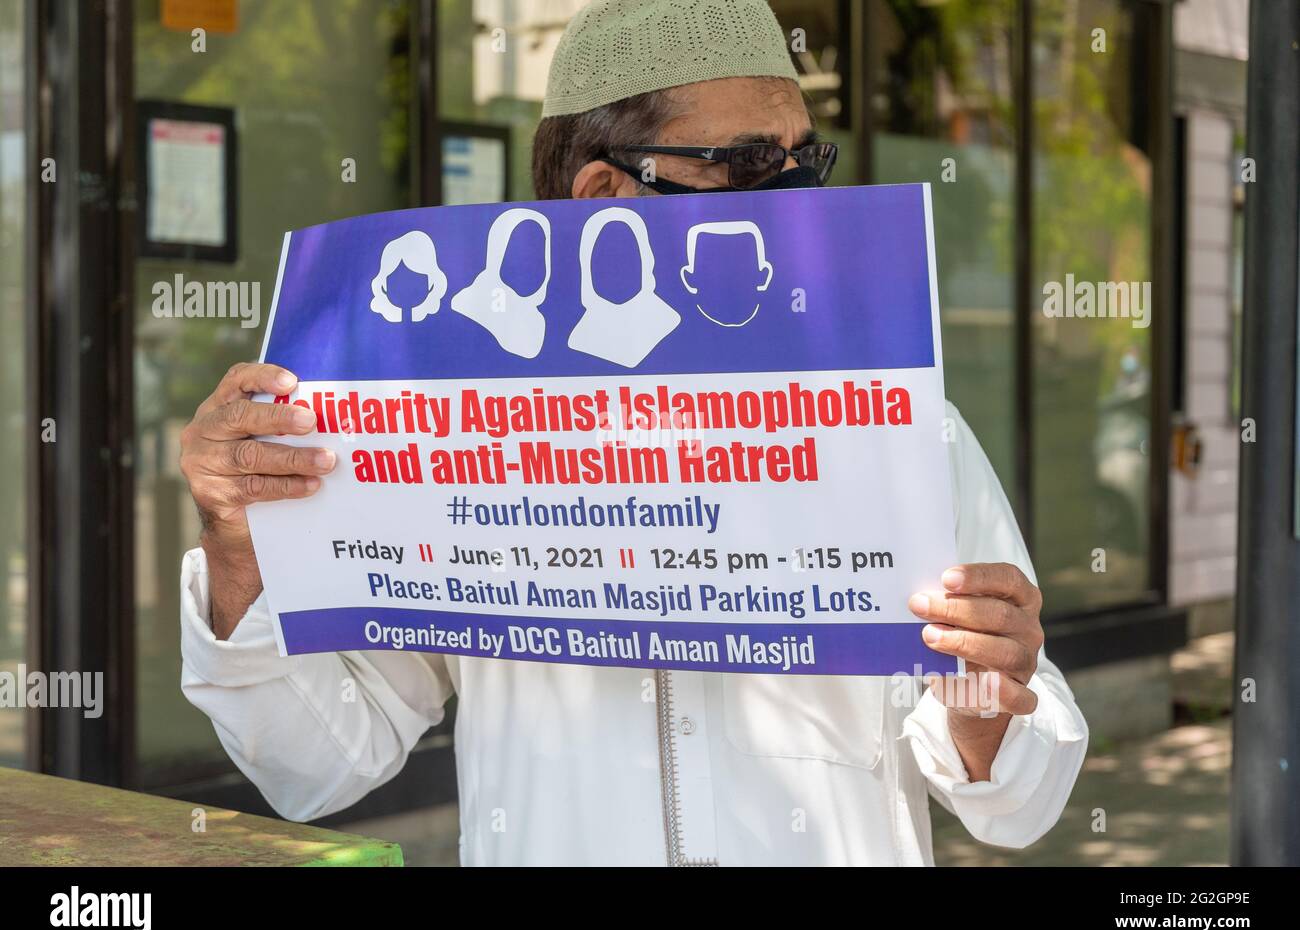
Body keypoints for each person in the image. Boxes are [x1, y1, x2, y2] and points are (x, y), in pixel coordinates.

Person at [178, 0, 1087, 865]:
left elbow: (1019, 802)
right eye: (747, 165)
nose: (796, 201)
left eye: (805, 166)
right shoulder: (455, 451)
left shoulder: (903, 429)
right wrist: (237, 551)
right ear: (604, 195)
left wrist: (985, 706)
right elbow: (320, 764)